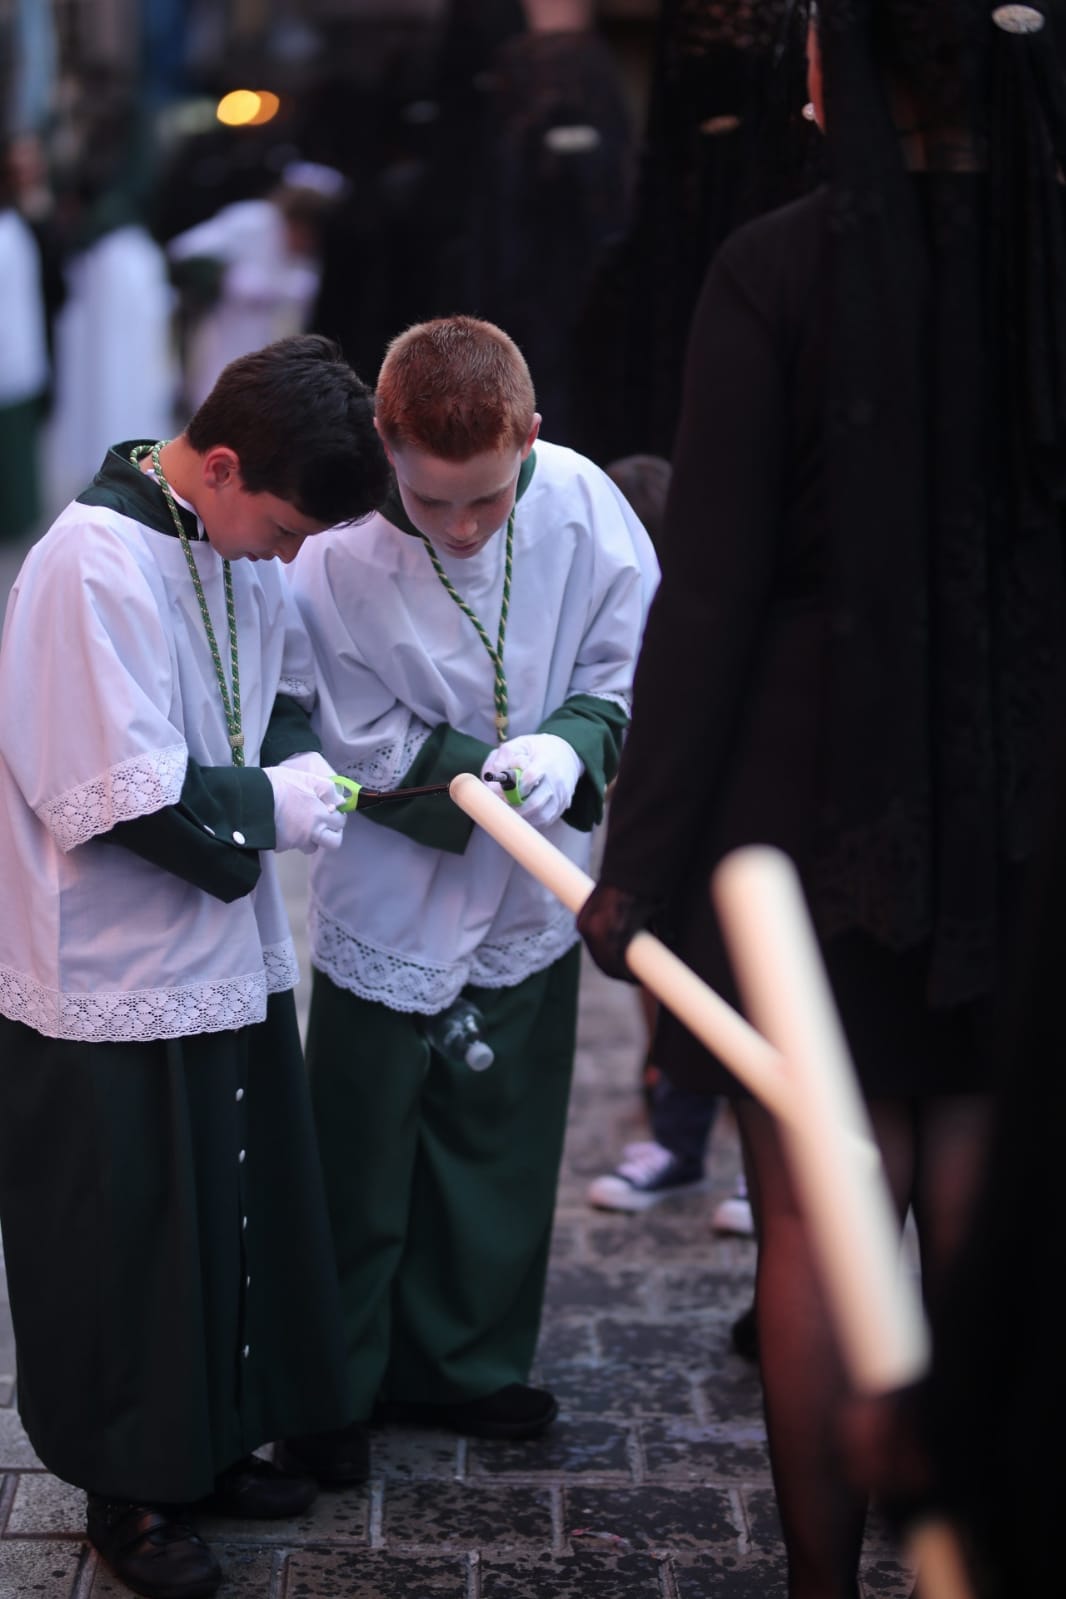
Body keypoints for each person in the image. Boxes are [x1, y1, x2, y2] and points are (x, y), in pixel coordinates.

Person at [578, 4, 1066, 1596]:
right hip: (1019, 800)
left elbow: (704, 593)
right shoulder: (1047, 252)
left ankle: (820, 1585)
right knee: (984, 1209)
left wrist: (629, 865)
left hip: (803, 811)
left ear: (833, 71)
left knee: (810, 1219)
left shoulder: (776, 265)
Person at [0, 334, 391, 1599]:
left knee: (222, 1212)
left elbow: (275, 691)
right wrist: (262, 808)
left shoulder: (223, 540)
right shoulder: (89, 564)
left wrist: (301, 770)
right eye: (280, 528)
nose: (286, 558)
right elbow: (103, 794)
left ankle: (210, 1443)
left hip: (224, 945)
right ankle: (131, 1494)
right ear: (219, 465)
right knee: (126, 1234)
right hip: (105, 966)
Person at [281, 314, 657, 1480]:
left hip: (529, 892)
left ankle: (468, 1363)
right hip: (395, 884)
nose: (459, 528)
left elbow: (628, 660)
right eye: (433, 500)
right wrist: (459, 771)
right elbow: (340, 719)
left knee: (497, 1134)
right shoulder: (338, 553)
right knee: (361, 1148)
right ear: (387, 443)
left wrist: (566, 748)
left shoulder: (587, 504)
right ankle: (331, 1384)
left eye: (487, 501)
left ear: (532, 439)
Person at [166, 163, 346, 416]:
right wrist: (225, 277)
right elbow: (185, 253)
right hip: (221, 336)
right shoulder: (250, 221)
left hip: (273, 357)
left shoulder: (314, 253)